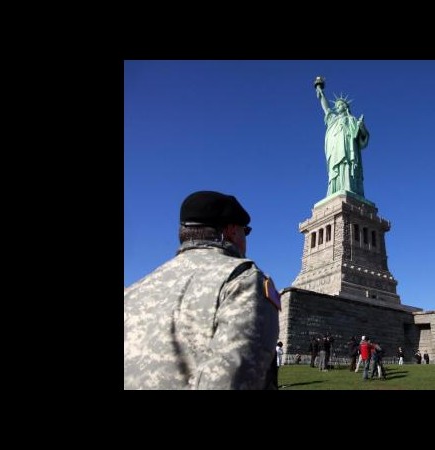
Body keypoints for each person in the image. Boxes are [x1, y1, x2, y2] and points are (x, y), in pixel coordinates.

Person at [124, 190, 280, 389]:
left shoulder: (134, 291)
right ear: (232, 231)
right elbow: (230, 382)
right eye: (245, 231)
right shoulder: (242, 281)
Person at [316, 82, 370, 197]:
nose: (337, 107)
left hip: (349, 148)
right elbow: (326, 108)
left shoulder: (352, 120)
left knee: (347, 165)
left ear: (345, 107)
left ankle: (349, 187)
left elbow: (363, 140)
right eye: (336, 106)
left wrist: (362, 128)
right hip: (335, 149)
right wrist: (321, 93)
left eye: (340, 105)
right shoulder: (333, 119)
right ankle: (335, 190)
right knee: (335, 169)